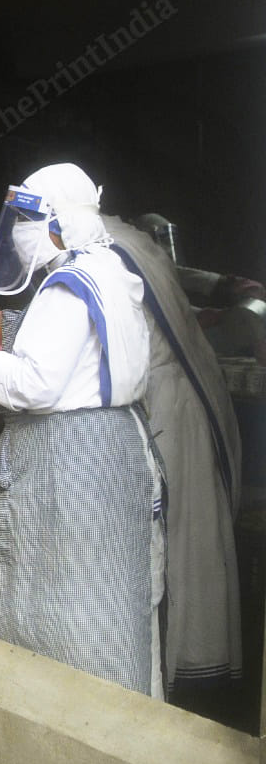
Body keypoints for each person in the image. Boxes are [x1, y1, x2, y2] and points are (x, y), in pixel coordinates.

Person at [0, 163, 161, 696]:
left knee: (62, 607)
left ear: (59, 222)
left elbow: (36, 386)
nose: (19, 231)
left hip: (65, 463)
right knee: (108, 599)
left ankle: (57, 728)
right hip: (110, 448)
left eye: (28, 218)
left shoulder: (67, 286)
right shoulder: (109, 269)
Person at [106, 215, 243, 694]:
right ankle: (184, 664)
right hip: (170, 403)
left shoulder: (114, 254)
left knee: (176, 538)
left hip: (164, 408)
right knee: (184, 536)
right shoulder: (134, 246)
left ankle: (184, 666)